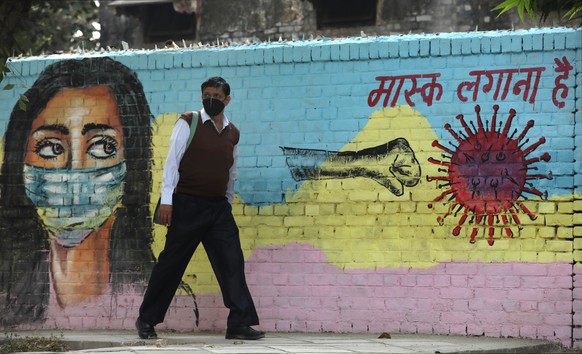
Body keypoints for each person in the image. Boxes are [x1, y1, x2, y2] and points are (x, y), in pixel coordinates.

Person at [0, 57, 155, 326]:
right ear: (19, 158)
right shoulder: (9, 302)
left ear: (133, 159)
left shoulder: (165, 298)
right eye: (50, 148)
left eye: (103, 147)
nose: (73, 170)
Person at [136, 77, 264, 340]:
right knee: (171, 264)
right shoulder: (188, 122)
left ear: (227, 100)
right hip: (186, 205)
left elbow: (232, 171)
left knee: (232, 263)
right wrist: (168, 201)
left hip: (218, 209)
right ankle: (146, 319)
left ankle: (239, 324)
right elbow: (172, 162)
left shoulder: (233, 133)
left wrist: (226, 203)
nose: (211, 99)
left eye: (217, 96)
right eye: (207, 94)